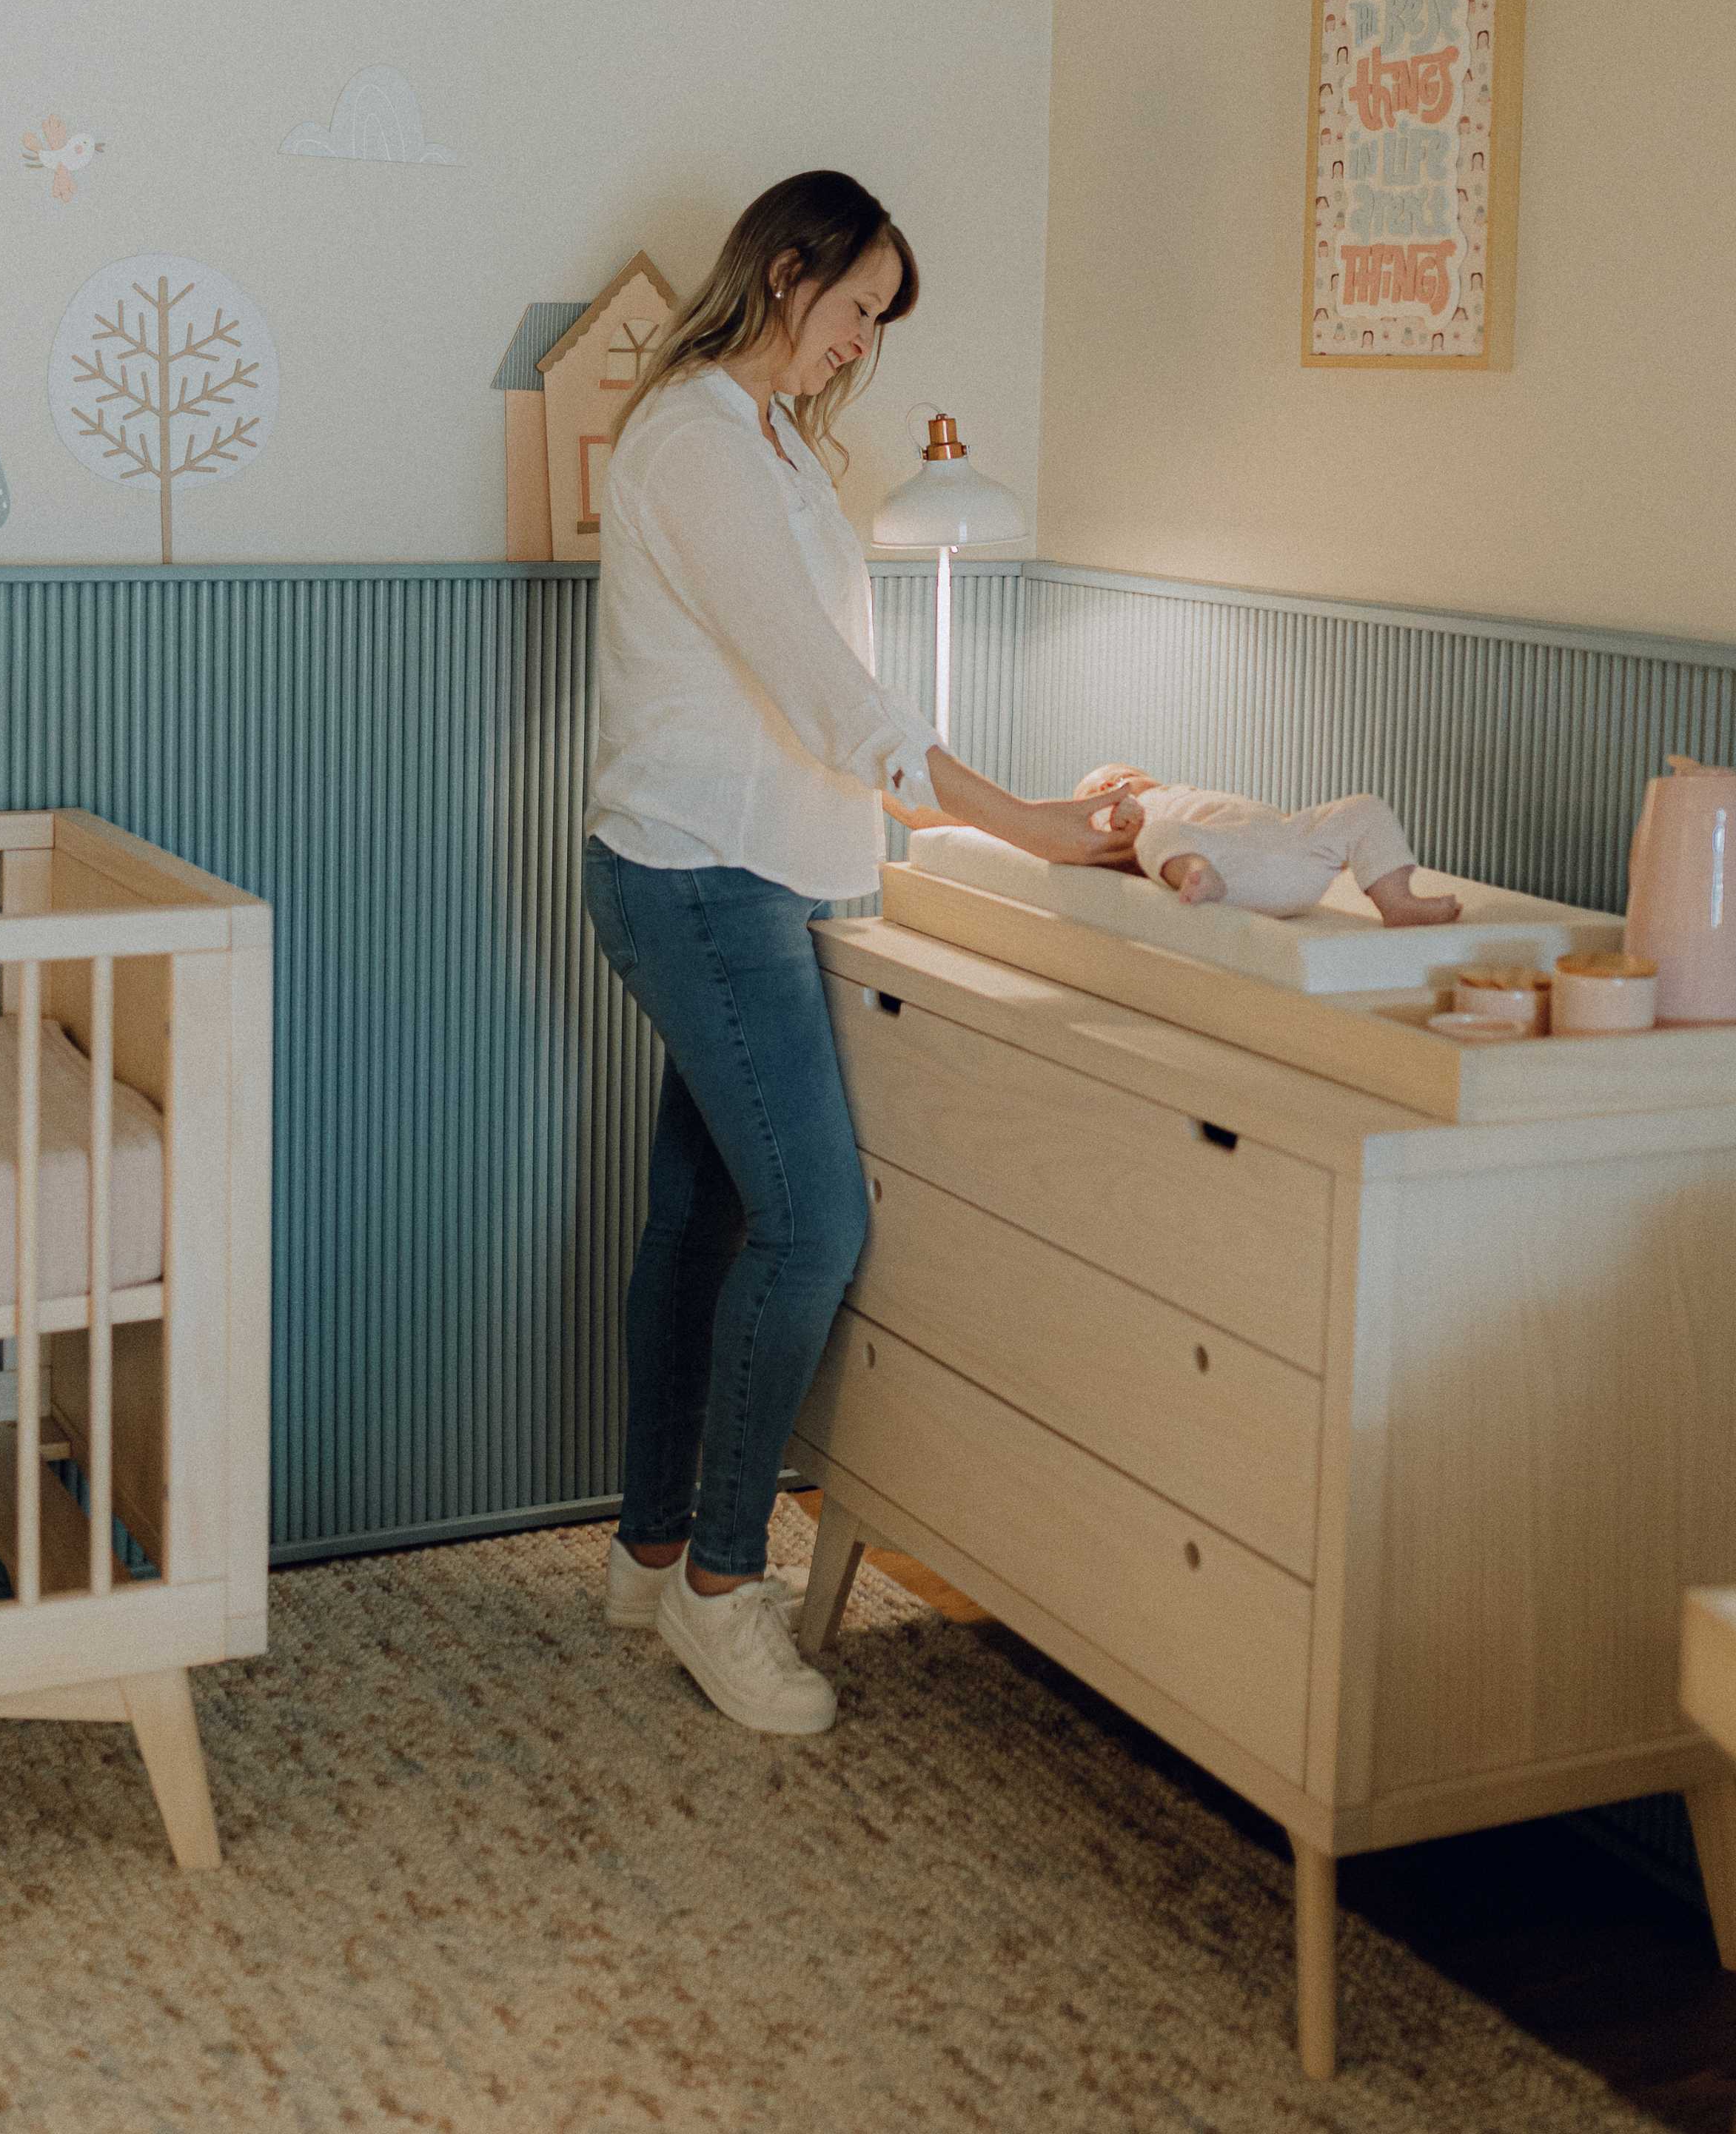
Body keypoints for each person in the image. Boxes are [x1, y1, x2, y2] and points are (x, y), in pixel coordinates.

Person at [579, 172, 1140, 1736]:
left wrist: (969, 827)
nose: (855, 350)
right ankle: (721, 1588)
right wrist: (1029, 826)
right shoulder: (697, 442)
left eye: (874, 329)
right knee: (813, 1228)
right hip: (701, 876)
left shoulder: (763, 441)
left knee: (702, 1219)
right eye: (851, 313)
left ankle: (647, 1551)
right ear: (783, 271)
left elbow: (824, 701)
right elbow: (832, 699)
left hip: (753, 869)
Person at [1071, 761, 1458, 925]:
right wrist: (1120, 817)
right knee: (1160, 835)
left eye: (1126, 774)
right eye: (1100, 788)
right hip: (1226, 866)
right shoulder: (1139, 812)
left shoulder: (1183, 792)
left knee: (1363, 808)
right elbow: (1125, 846)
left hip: (1290, 850)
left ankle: (1396, 902)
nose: (1113, 785)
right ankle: (1197, 873)